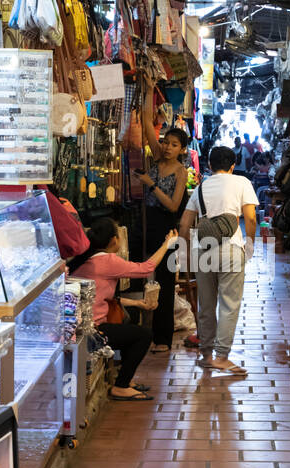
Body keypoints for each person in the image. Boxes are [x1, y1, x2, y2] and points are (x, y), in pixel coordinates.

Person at [71, 217, 178, 401]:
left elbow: (104, 297)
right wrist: (167, 244)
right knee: (143, 335)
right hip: (93, 332)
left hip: (81, 327)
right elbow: (146, 268)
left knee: (132, 321)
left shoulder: (85, 259)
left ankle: (125, 380)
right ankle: (121, 386)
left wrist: (137, 303)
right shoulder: (108, 260)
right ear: (113, 240)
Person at [178, 144, 258, 375]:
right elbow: (251, 219)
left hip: (203, 250)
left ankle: (206, 354)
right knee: (229, 304)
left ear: (210, 165)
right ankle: (222, 357)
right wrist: (249, 246)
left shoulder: (202, 186)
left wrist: (183, 255)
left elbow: (184, 225)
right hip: (230, 249)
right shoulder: (242, 182)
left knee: (206, 304)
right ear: (233, 166)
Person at [138, 100, 190, 354]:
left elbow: (173, 205)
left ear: (182, 150)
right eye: (166, 142)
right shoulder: (156, 158)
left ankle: (162, 339)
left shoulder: (181, 172)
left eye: (174, 145)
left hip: (166, 227)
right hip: (145, 221)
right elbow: (147, 126)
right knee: (138, 275)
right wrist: (147, 90)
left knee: (165, 282)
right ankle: (139, 333)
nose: (168, 147)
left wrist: (151, 185)